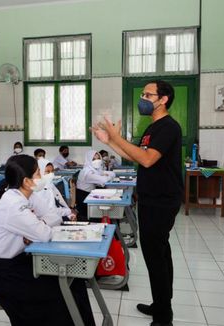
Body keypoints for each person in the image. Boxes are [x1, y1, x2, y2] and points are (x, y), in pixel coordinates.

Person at [92, 80, 182, 326]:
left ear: (163, 99)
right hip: (153, 198)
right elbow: (133, 155)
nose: (142, 98)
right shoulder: (152, 128)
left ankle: (164, 317)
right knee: (161, 253)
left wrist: (116, 136)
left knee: (155, 256)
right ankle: (162, 304)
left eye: (148, 94)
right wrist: (108, 141)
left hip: (162, 200)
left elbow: (148, 160)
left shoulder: (168, 127)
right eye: (142, 93)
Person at [0, 155, 95, 326]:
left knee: (75, 280)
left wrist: (37, 225)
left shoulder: (28, 195)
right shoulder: (13, 204)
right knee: (58, 293)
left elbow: (53, 216)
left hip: (20, 261)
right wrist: (37, 228)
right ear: (26, 181)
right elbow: (44, 235)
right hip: (1, 272)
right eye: (38, 174)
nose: (41, 177)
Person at [29, 158, 77, 224]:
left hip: (56, 219)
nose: (51, 174)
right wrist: (69, 212)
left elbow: (59, 203)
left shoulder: (50, 185)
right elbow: (50, 210)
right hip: (45, 223)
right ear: (39, 172)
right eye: (47, 171)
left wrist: (70, 215)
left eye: (52, 171)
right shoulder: (38, 190)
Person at [75, 150, 115, 219]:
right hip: (84, 198)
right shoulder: (87, 172)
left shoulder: (94, 169)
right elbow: (104, 180)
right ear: (88, 160)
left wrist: (105, 176)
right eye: (93, 159)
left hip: (89, 195)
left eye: (98, 158)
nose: (97, 161)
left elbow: (113, 173)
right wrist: (106, 176)